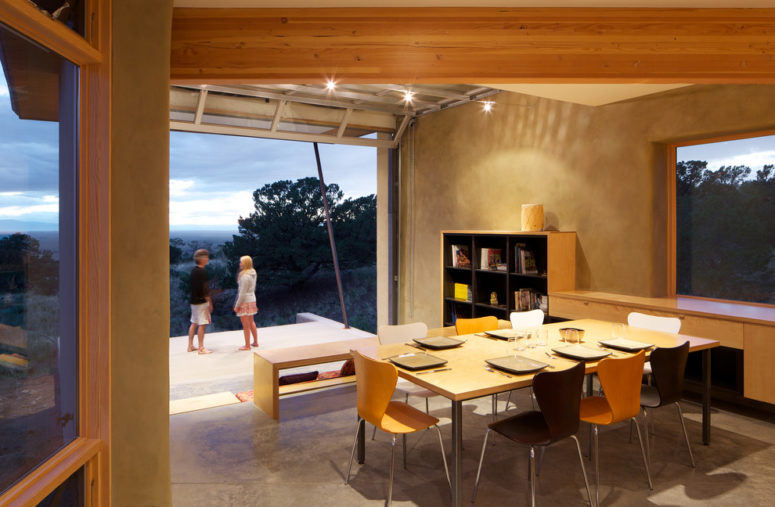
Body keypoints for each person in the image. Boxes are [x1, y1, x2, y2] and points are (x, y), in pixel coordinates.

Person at [188, 248, 213, 354]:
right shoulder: (202, 272)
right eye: (206, 257)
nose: (208, 259)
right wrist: (210, 303)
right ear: (202, 258)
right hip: (201, 303)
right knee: (202, 324)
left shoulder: (194, 270)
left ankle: (190, 346)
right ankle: (201, 348)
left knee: (194, 323)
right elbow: (205, 290)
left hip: (193, 302)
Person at [234, 255, 259, 350]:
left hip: (245, 301)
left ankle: (247, 345)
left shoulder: (245, 276)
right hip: (252, 299)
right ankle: (255, 342)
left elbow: (242, 294)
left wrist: (237, 306)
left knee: (245, 325)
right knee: (251, 321)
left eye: (241, 262)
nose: (239, 264)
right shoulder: (253, 273)